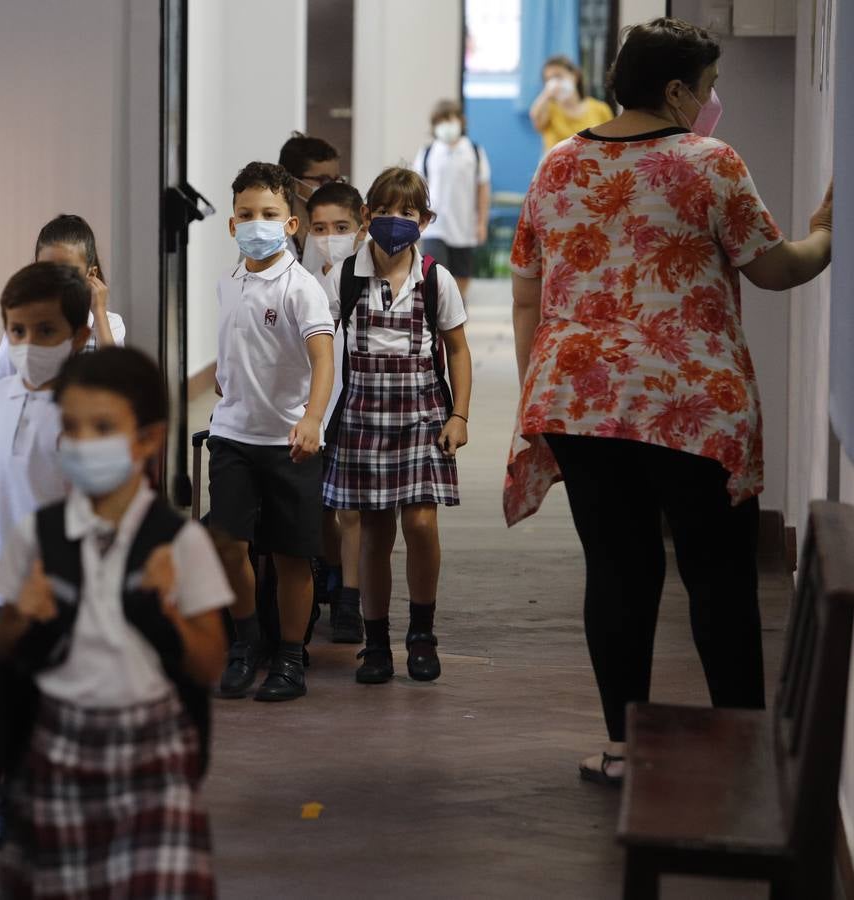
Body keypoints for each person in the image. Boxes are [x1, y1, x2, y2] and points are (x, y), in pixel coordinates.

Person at [505, 17, 834, 786]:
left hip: (579, 400)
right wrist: (827, 234)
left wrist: (540, 385)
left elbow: (527, 292)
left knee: (617, 574)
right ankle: (741, 746)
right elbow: (776, 269)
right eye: (710, 87)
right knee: (718, 577)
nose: (712, 102)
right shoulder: (709, 161)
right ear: (678, 88)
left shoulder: (557, 165)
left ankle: (623, 748)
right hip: (690, 406)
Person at [0, 346, 230, 898]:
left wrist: (166, 616)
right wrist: (24, 616)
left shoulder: (178, 541)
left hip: (154, 751)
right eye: (71, 428)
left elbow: (210, 659)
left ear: (146, 439)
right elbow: (3, 643)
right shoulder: (37, 536)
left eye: (103, 427)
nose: (82, 443)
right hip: (57, 742)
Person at [322, 168, 473, 684]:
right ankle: (378, 642)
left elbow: (457, 349)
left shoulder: (435, 279)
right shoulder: (343, 276)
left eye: (408, 212)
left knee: (422, 524)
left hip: (424, 417)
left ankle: (422, 634)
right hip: (364, 417)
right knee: (375, 534)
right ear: (367, 216)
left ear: (425, 220)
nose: (395, 221)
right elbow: (317, 345)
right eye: (385, 210)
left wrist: (460, 415)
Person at [210, 161, 335, 702]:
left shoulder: (301, 288)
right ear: (232, 224)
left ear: (290, 224)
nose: (255, 222)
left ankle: (289, 658)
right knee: (226, 545)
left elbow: (323, 359)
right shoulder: (229, 281)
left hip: (288, 442)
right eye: (245, 214)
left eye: (269, 214)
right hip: (234, 434)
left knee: (290, 555)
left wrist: (311, 418)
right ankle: (244, 643)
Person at [0, 263, 92, 812]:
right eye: (17, 331)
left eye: (46, 332)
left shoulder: (87, 413)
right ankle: (14, 784)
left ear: (79, 336)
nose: (28, 344)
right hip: (3, 572)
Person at [306, 181, 367, 643]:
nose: (329, 236)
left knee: (350, 507)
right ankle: (323, 578)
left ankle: (350, 596)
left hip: (354, 402)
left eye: (341, 227)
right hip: (310, 404)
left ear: (362, 225)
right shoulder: (300, 275)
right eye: (320, 227)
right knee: (318, 503)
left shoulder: (368, 272)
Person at [0, 214, 126, 382]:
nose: (55, 280)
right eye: (46, 269)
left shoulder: (109, 323)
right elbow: (1, 379)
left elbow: (117, 382)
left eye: (68, 271)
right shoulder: (26, 324)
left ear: (91, 274)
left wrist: (98, 311)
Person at [412, 100, 492, 300]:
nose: (446, 125)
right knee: (433, 273)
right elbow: (417, 188)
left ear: (460, 121)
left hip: (464, 226)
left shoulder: (473, 151)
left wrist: (482, 222)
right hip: (435, 225)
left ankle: (456, 309)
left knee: (461, 275)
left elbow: (483, 188)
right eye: (440, 121)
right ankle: (435, 316)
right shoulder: (428, 152)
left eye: (450, 119)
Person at [278, 131, 344, 261]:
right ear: (293, 182)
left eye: (336, 180)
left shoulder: (344, 233)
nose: (332, 187)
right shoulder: (269, 232)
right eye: (323, 180)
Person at [529, 54, 614, 151]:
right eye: (548, 79)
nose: (554, 83)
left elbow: (610, 143)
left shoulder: (600, 108)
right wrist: (546, 94)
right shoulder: (549, 109)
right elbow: (536, 120)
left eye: (558, 76)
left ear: (575, 76)